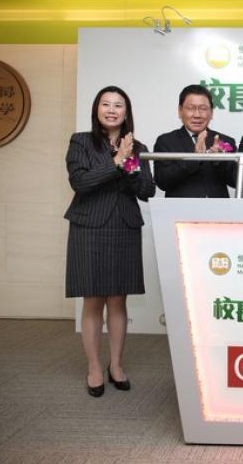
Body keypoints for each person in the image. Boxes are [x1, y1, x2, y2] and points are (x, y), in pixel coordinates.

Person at [64, 86, 156, 397]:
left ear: (126, 112)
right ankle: (93, 367)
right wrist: (116, 161)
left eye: (119, 105)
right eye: (106, 104)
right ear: (97, 109)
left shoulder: (138, 145)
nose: (112, 109)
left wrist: (130, 164)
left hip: (124, 225)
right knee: (93, 300)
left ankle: (116, 365)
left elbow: (147, 189)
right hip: (89, 226)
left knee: (118, 300)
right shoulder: (81, 141)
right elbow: (81, 182)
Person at [154, 84, 237, 197]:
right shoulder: (166, 141)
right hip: (179, 212)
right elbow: (162, 181)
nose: (197, 115)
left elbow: (235, 180)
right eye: (191, 108)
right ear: (180, 111)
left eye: (203, 109)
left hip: (217, 212)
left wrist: (218, 161)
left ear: (211, 112)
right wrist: (194, 158)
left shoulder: (225, 141)